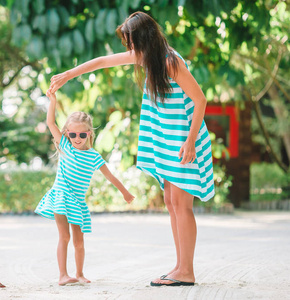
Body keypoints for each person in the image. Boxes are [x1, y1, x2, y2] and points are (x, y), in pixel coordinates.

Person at [48, 11, 215, 287]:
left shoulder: (170, 62)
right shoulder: (147, 58)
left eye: (131, 41)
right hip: (170, 140)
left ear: (143, 39)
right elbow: (102, 62)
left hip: (185, 139)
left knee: (182, 205)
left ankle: (186, 271)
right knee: (171, 202)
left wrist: (190, 141)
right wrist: (68, 74)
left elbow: (200, 100)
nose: (129, 48)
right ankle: (180, 266)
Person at [35, 90, 135, 286]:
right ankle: (63, 275)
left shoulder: (93, 156)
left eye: (81, 134)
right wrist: (53, 101)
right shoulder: (64, 145)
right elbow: (50, 123)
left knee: (79, 241)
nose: (77, 138)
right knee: (64, 236)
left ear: (89, 134)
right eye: (72, 134)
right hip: (61, 197)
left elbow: (110, 176)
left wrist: (125, 193)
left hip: (78, 203)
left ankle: (79, 274)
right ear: (67, 134)